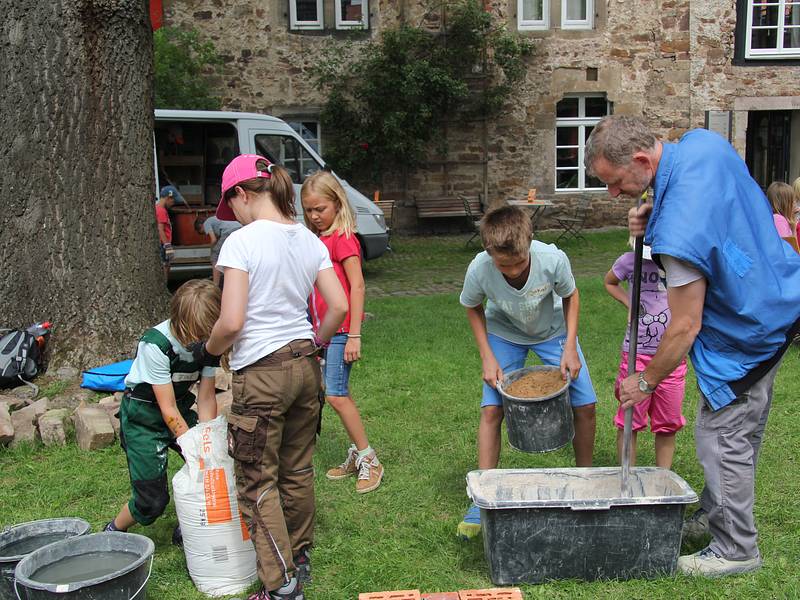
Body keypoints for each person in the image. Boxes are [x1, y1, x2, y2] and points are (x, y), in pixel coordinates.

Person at [585, 114, 800, 577]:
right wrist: (654, 204)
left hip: (745, 332)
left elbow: (684, 326)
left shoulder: (678, 237)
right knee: (741, 431)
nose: (613, 194)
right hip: (777, 296)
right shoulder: (704, 143)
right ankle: (715, 512)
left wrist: (645, 380)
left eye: (616, 182)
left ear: (642, 159)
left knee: (722, 438)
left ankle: (736, 548)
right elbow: (704, 195)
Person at [193, 154, 347, 600]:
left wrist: (209, 349)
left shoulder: (241, 243)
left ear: (241, 194)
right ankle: (299, 557)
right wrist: (316, 344)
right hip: (305, 364)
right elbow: (336, 306)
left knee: (258, 480)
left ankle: (280, 586)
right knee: (297, 470)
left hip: (261, 373)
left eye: (231, 207)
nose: (233, 217)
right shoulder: (309, 239)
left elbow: (232, 321)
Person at [457, 205, 598, 539]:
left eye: (518, 263)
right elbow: (472, 308)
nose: (511, 270)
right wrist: (487, 356)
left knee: (587, 404)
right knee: (491, 409)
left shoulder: (552, 259)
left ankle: (586, 482)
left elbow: (571, 296)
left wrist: (569, 345)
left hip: (553, 331)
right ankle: (482, 498)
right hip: (504, 332)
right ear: (488, 251)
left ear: (529, 243)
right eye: (503, 264)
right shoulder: (479, 269)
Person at [104, 279, 221, 544]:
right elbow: (167, 409)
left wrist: (206, 439)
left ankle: (189, 523)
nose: (198, 342)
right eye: (194, 334)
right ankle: (114, 529)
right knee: (152, 501)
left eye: (205, 336)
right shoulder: (156, 345)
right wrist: (192, 447)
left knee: (210, 464)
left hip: (179, 410)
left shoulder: (211, 343)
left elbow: (205, 399)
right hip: (144, 418)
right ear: (178, 320)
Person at [301, 171, 384, 494]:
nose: (314, 216)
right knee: (336, 393)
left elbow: (358, 285)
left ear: (337, 204)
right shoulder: (318, 240)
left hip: (342, 330)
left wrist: (354, 334)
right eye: (308, 210)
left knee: (336, 394)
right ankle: (357, 452)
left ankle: (369, 458)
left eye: (320, 208)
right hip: (323, 331)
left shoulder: (343, 238)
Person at [604, 238, 687, 469]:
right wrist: (628, 302)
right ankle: (626, 477)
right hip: (636, 354)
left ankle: (663, 478)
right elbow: (610, 282)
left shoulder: (678, 264)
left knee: (668, 424)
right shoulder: (629, 262)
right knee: (629, 420)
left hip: (671, 357)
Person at [155, 185, 186, 279]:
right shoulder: (161, 211)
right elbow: (160, 229)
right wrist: (167, 246)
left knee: (167, 264)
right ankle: (164, 285)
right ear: (168, 198)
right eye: (173, 200)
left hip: (163, 243)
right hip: (163, 244)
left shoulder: (158, 209)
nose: (173, 203)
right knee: (165, 266)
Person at [202, 215, 242, 286]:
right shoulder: (214, 220)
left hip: (229, 231)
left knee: (215, 255)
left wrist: (211, 249)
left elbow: (213, 239)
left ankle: (215, 285)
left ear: (200, 226)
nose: (205, 233)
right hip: (240, 227)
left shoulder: (206, 223)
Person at [766, 181, 799, 253]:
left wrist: (793, 226)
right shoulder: (779, 220)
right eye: (793, 201)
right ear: (786, 203)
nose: (795, 204)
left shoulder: (777, 218)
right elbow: (788, 251)